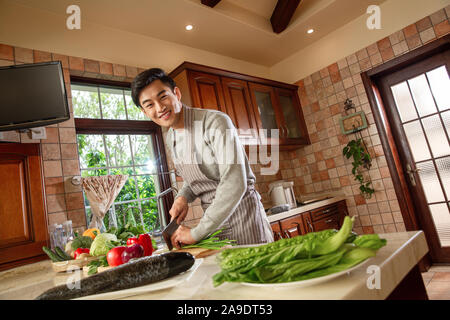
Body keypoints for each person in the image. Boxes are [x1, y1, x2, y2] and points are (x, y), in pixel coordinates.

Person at [131, 68, 274, 249]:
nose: (159, 108)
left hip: (244, 220)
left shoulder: (215, 122)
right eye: (149, 105)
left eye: (163, 97)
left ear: (176, 93)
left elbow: (234, 182)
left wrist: (196, 233)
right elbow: (194, 178)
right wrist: (183, 197)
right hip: (214, 230)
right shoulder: (171, 137)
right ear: (145, 112)